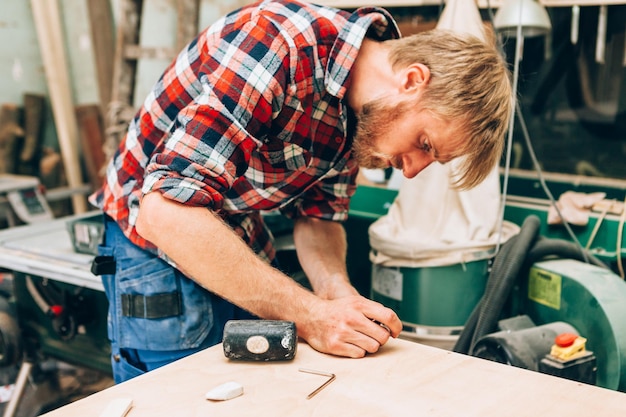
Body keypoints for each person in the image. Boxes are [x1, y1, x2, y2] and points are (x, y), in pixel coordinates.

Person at [89, 0, 512, 383]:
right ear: (412, 80)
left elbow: (318, 217)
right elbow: (167, 213)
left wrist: (337, 295)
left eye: (431, 160)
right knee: (177, 396)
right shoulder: (278, 43)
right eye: (424, 144)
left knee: (248, 391)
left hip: (233, 228)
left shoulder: (365, 113)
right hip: (150, 236)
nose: (414, 170)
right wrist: (311, 315)